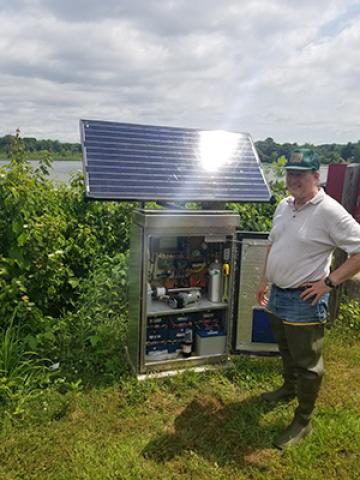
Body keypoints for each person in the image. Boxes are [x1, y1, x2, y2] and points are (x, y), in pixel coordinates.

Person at [256, 148, 360, 449]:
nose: (293, 179)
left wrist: (330, 282)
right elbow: (272, 244)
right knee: (286, 350)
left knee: (309, 364)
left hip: (304, 299)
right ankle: (288, 390)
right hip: (277, 294)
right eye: (290, 173)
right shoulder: (284, 205)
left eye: (301, 174)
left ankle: (303, 421)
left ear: (317, 176)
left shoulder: (329, 211)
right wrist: (265, 279)